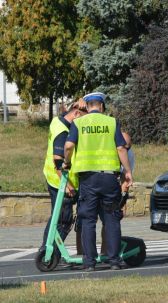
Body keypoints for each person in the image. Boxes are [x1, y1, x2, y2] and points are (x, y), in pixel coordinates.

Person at [63, 92, 132, 271]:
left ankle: (89, 263)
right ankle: (114, 261)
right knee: (111, 219)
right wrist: (128, 171)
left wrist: (67, 162)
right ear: (101, 106)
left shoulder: (79, 123)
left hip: (88, 180)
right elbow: (121, 148)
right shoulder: (111, 122)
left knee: (88, 220)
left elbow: (69, 146)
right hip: (109, 179)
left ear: (88, 106)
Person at [40, 99, 87, 252]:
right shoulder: (63, 132)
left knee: (57, 217)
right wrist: (68, 186)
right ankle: (50, 253)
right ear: (76, 113)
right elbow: (58, 161)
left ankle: (47, 250)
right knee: (63, 219)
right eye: (83, 118)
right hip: (61, 182)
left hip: (54, 178)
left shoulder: (58, 121)